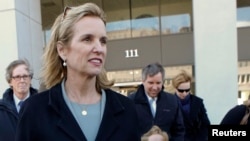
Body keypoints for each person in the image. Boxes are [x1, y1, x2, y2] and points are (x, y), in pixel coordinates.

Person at [15, 3, 140, 141]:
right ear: (62, 50)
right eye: (87, 39)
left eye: (103, 41)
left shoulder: (127, 109)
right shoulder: (35, 110)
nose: (99, 48)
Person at [128, 62, 185, 141]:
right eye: (151, 83)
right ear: (143, 81)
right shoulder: (130, 102)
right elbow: (126, 131)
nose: (155, 87)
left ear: (162, 82)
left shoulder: (172, 101)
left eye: (158, 83)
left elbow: (179, 131)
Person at [0, 59, 38, 141]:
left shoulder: (43, 105)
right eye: (17, 77)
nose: (22, 80)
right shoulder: (1, 109)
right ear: (10, 81)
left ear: (30, 79)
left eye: (25, 76)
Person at [172, 70, 210, 141]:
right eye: (181, 90)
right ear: (175, 88)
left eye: (187, 90)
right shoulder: (168, 103)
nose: (184, 93)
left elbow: (205, 124)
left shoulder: (198, 102)